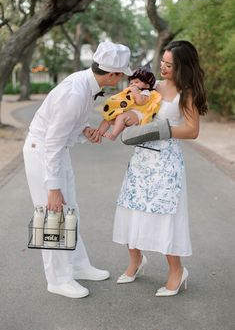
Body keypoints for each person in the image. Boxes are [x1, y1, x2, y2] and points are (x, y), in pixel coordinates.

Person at [23, 41, 132, 298]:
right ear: (112, 74)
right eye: (121, 74)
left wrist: (86, 132)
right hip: (44, 153)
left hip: (57, 151)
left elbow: (71, 127)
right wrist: (53, 188)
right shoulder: (75, 92)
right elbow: (52, 141)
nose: (122, 79)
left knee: (71, 210)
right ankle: (58, 279)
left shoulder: (85, 83)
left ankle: (77, 265)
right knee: (54, 217)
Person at [112, 40, 208, 296]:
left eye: (169, 65)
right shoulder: (154, 85)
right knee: (131, 207)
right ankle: (135, 261)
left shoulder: (186, 93)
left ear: (183, 67)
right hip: (142, 158)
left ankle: (177, 271)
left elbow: (192, 130)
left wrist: (161, 129)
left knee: (165, 215)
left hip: (166, 163)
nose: (163, 68)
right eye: (163, 62)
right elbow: (137, 110)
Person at [98, 66, 161, 140]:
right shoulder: (131, 91)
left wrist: (135, 92)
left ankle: (113, 135)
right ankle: (99, 133)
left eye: (137, 82)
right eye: (131, 83)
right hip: (128, 112)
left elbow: (140, 102)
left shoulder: (146, 92)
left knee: (121, 117)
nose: (133, 84)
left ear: (147, 85)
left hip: (138, 114)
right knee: (108, 118)